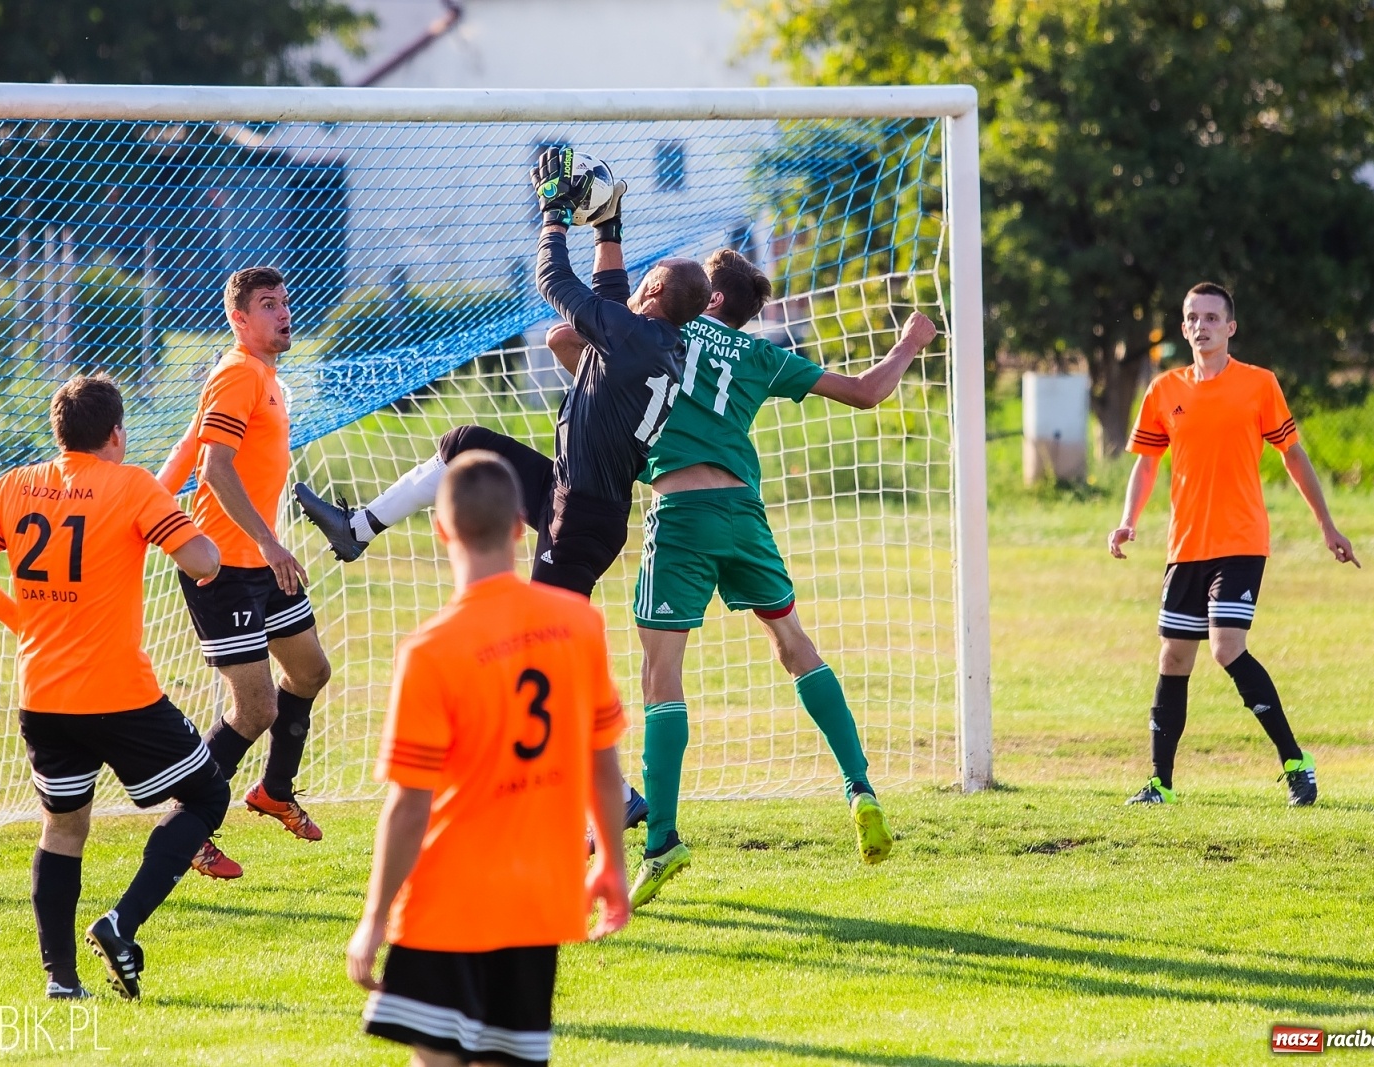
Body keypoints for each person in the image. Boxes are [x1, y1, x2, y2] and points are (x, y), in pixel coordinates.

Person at [296, 146, 708, 830]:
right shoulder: (654, 340)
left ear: (657, 292)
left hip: (580, 516)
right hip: (579, 496)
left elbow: (553, 280)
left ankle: (606, 799)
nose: (638, 281)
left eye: (649, 278)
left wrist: (553, 212)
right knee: (466, 443)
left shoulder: (635, 336)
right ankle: (358, 527)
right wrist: (609, 226)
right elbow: (610, 294)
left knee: (541, 658)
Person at [546, 249, 936, 906]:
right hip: (744, 513)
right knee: (795, 644)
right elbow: (868, 392)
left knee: (660, 675)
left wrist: (609, 379)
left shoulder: (664, 331)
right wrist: (909, 342)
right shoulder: (761, 356)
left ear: (712, 298)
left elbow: (562, 336)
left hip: (682, 516)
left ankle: (662, 841)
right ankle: (860, 787)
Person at [0, 374, 226, 1000]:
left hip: (42, 695)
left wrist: (20, 619)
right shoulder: (132, 485)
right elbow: (203, 561)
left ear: (59, 432)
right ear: (116, 434)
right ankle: (121, 923)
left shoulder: (15, 484)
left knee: (64, 828)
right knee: (207, 796)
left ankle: (62, 981)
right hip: (119, 695)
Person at [346, 450, 630, 1067]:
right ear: (522, 527)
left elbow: (409, 805)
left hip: (449, 899)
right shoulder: (580, 624)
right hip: (539, 899)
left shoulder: (431, 650)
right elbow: (604, 766)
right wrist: (611, 860)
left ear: (442, 530)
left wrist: (373, 918)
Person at [1110, 281, 1359, 807]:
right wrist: (1128, 520)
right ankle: (1160, 783)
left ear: (1230, 327)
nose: (1200, 326)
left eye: (1210, 317)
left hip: (1241, 542)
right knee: (1174, 657)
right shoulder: (1164, 390)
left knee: (1226, 648)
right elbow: (1147, 463)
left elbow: (1293, 455)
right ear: (1183, 329)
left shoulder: (1258, 384)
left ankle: (1296, 762)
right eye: (1192, 317)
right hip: (1185, 547)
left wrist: (1327, 525)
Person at [156, 266, 334, 879]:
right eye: (267, 304)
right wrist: (270, 542)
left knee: (310, 671)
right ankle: (186, 826)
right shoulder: (237, 372)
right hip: (226, 568)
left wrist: (148, 502)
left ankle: (274, 791)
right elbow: (214, 468)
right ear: (239, 319)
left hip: (261, 561)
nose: (283, 313)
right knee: (254, 708)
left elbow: (187, 448)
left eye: (285, 301)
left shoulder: (262, 376)